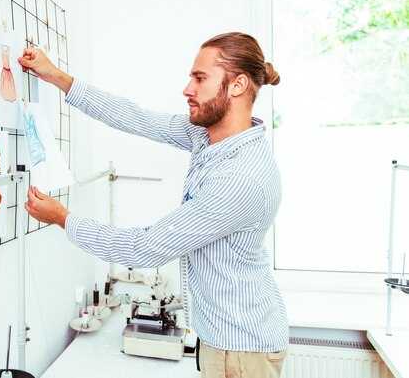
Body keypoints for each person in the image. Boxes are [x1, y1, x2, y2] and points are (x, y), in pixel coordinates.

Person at [19, 32, 288, 378]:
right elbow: (136, 118)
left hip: (241, 351)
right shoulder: (209, 137)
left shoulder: (240, 179)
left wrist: (63, 218)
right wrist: (56, 76)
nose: (187, 89)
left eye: (200, 78)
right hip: (225, 341)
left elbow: (144, 248)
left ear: (237, 85)